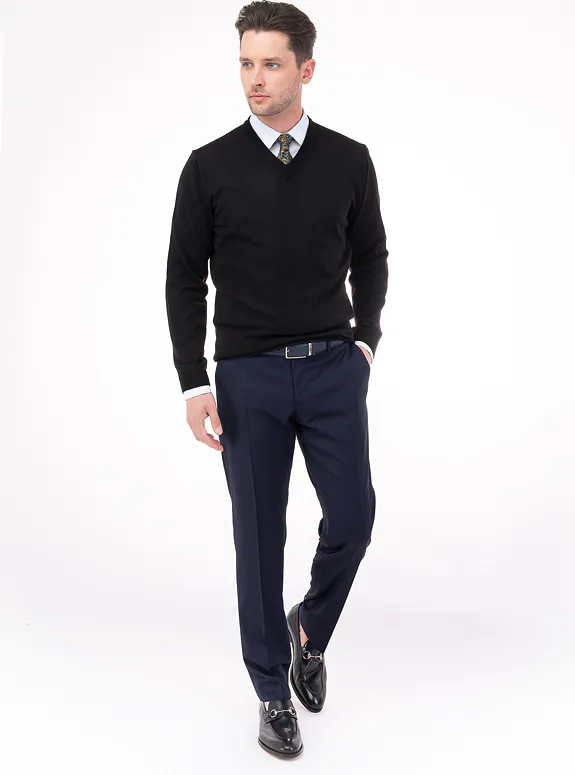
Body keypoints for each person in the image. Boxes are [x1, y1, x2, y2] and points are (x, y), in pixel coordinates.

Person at [165, 0, 389, 758]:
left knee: (353, 518)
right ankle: (270, 691)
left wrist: (365, 343)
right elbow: (183, 279)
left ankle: (308, 632)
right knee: (258, 538)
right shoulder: (209, 166)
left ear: (306, 69)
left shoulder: (349, 159)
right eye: (245, 63)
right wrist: (194, 381)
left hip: (332, 369)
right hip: (247, 378)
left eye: (270, 64)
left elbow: (372, 257)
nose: (254, 79)